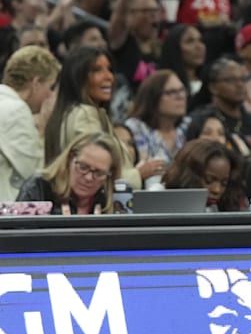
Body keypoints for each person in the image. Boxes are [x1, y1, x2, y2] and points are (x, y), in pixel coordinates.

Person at [43, 46, 160, 188]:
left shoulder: (76, 113)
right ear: (77, 77)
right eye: (97, 70)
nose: (109, 77)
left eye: (109, 69)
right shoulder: (84, 115)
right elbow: (92, 171)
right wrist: (139, 174)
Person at [0, 46, 60, 201]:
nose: (51, 94)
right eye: (50, 86)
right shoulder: (17, 111)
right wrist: (43, 131)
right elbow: (34, 174)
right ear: (36, 83)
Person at [188, 58, 251, 159]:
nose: (239, 85)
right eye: (231, 80)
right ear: (213, 87)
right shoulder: (200, 122)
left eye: (243, 79)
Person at [18, 132, 122, 214]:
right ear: (69, 159)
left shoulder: (114, 200)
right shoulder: (39, 188)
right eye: (83, 167)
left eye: (99, 173)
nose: (89, 177)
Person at [124, 70, 189, 165]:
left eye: (182, 90)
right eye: (171, 92)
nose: (180, 96)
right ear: (153, 97)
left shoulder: (186, 128)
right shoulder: (134, 128)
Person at [163, 138, 246, 210]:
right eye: (208, 180)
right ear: (187, 176)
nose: (217, 190)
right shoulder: (160, 199)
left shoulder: (226, 208)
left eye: (224, 183)